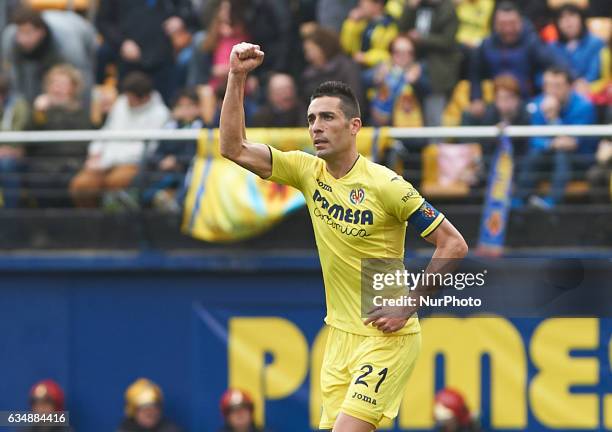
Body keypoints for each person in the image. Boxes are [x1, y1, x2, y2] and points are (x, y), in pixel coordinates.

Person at [219, 42, 468, 432]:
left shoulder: (386, 184)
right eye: (311, 118)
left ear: (354, 126)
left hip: (387, 335)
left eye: (327, 117)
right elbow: (232, 147)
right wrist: (236, 77)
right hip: (338, 336)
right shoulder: (306, 171)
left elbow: (454, 244)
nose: (316, 127)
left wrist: (409, 304)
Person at [70, 72, 170, 208]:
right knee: (81, 186)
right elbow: (107, 129)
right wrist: (95, 152)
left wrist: (106, 162)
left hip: (131, 163)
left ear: (145, 97)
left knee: (115, 183)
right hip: (103, 160)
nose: (128, 101)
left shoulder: (161, 114)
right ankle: (91, 222)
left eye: (131, 98)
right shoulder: (121, 103)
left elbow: (147, 149)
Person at [514, 66, 596, 209]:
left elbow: (573, 143)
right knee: (536, 153)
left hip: (579, 161)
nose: (551, 91)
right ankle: (520, 200)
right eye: (547, 85)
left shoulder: (584, 106)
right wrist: (551, 144)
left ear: (570, 87)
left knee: (562, 154)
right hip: (547, 156)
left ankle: (552, 202)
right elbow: (533, 139)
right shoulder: (538, 104)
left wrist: (553, 118)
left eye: (557, 86)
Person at [468, 1, 563, 118]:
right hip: (496, 102)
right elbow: (475, 73)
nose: (508, 29)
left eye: (512, 23)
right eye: (503, 24)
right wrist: (476, 97)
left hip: (527, 101)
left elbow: (553, 65)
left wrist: (549, 94)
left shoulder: (531, 42)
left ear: (520, 22)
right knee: (469, 115)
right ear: (495, 24)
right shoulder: (487, 45)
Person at [26, 64, 92, 208]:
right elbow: (29, 140)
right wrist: (38, 113)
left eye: (63, 84)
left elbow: (83, 143)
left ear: (73, 88)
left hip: (72, 164)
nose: (58, 88)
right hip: (43, 166)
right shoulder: (40, 111)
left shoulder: (81, 113)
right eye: (54, 83)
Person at [1, 7, 96, 104]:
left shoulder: (67, 44)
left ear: (41, 32)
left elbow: (82, 77)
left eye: (28, 32)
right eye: (20, 32)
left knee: (65, 84)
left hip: (80, 35)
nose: (22, 39)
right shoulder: (10, 36)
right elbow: (15, 75)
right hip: (48, 44)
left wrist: (82, 108)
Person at [398, 0, 461, 126]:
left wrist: (422, 39)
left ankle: (434, 141)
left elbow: (448, 41)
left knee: (434, 106)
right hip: (412, 60)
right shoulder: (416, 6)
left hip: (439, 65)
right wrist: (410, 7)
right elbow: (401, 29)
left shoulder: (448, 9)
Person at [138, 88, 203, 211]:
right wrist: (162, 161)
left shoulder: (203, 129)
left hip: (187, 171)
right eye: (181, 106)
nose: (185, 110)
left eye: (189, 106)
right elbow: (156, 153)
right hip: (165, 171)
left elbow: (198, 154)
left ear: (198, 108)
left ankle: (176, 205)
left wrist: (177, 161)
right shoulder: (168, 129)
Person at [365, 35, 429, 127]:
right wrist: (376, 77)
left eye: (408, 52)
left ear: (414, 54)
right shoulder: (383, 67)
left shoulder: (420, 70)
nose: (403, 56)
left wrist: (417, 81)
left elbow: (430, 91)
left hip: (410, 129)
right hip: (381, 126)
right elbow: (362, 80)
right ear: (391, 53)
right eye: (398, 52)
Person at [300, 26, 364, 109]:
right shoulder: (308, 75)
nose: (308, 56)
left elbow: (356, 100)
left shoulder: (347, 68)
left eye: (311, 50)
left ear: (324, 48)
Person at [549, 4, 605, 94]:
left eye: (572, 16)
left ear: (581, 20)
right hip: (559, 93)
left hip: (590, 91)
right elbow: (545, 74)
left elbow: (595, 73)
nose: (568, 21)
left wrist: (581, 84)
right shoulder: (552, 47)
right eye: (562, 18)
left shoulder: (596, 43)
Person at [340, 0, 398, 68]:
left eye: (364, 2)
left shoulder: (389, 26)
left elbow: (388, 54)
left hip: (374, 67)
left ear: (378, 5)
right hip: (356, 65)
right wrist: (351, 23)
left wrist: (366, 58)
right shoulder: (361, 22)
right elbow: (347, 47)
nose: (360, 4)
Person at [0, 73, 29, 208]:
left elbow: (17, 135)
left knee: (6, 165)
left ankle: (9, 218)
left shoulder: (18, 104)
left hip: (13, 157)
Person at [116, 378, 182, 432]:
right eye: (144, 409)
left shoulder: (172, 430)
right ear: (133, 411)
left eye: (154, 408)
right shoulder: (124, 429)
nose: (150, 413)